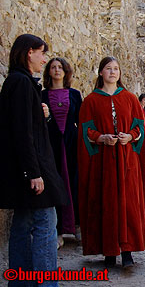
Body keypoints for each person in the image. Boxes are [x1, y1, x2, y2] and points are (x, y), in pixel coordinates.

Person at [0, 34, 67, 287]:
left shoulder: (22, 83)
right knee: (46, 226)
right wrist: (33, 173)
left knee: (24, 223)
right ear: (29, 53)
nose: (44, 59)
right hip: (32, 170)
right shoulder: (20, 83)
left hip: (28, 169)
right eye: (41, 53)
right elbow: (21, 133)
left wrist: (43, 114)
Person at [78, 56, 145, 268]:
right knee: (106, 203)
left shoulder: (130, 98)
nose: (112, 72)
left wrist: (130, 137)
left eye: (116, 68)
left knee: (128, 203)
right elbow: (85, 130)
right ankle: (109, 251)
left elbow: (140, 128)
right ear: (101, 72)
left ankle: (127, 251)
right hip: (104, 163)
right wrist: (101, 138)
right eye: (108, 68)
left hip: (127, 162)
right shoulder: (91, 100)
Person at [42, 57, 82, 249]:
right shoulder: (42, 95)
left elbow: (82, 121)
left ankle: (76, 226)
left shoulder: (75, 95)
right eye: (53, 67)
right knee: (55, 184)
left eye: (60, 67)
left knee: (74, 182)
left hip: (71, 143)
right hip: (51, 144)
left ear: (66, 72)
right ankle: (57, 230)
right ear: (49, 72)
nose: (57, 70)